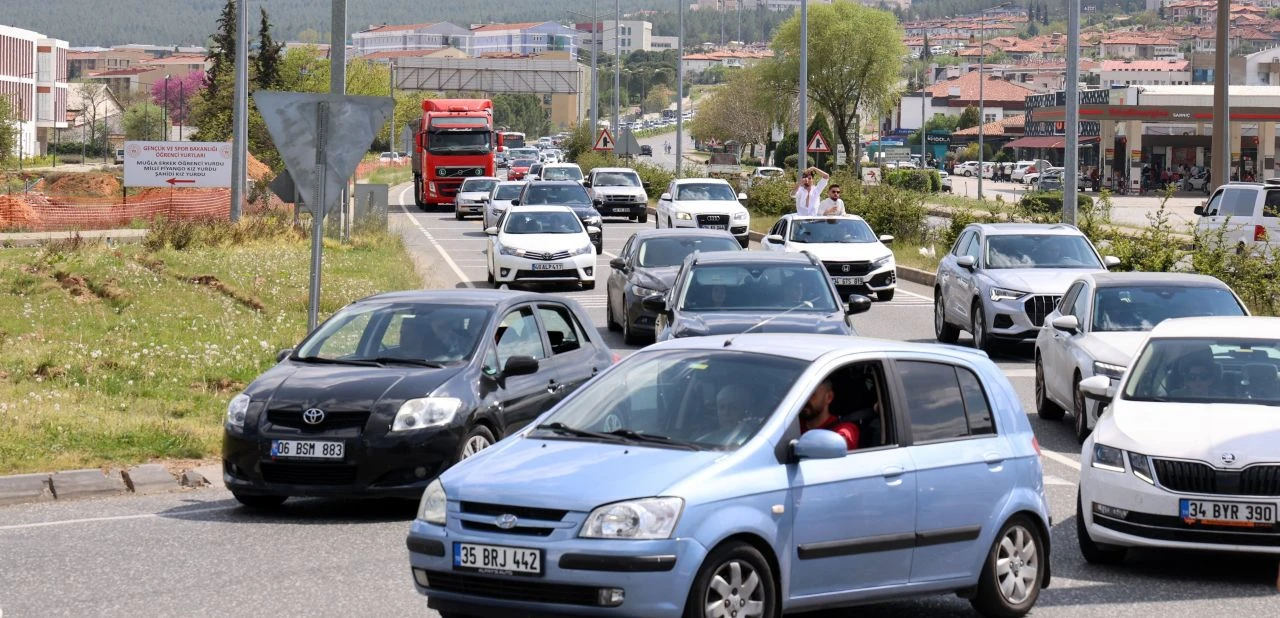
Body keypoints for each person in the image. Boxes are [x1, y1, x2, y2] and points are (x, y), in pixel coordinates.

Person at [800, 378, 858, 450]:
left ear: (829, 397)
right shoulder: (791, 426)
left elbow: (842, 442)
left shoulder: (844, 428)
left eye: (812, 394)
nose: (804, 400)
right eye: (801, 395)